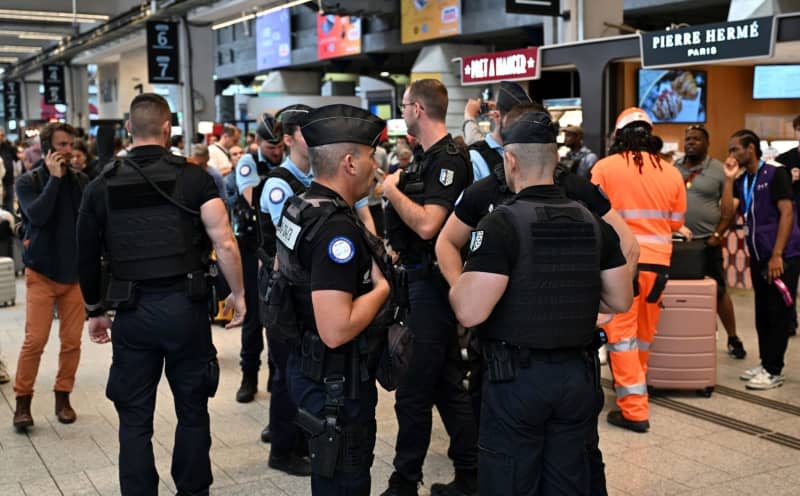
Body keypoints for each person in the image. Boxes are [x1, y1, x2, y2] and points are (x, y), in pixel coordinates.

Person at [436, 102, 639, 496]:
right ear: (555, 158)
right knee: (569, 480)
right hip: (578, 376)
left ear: (510, 160)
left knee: (511, 480)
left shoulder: (500, 224)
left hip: (517, 379)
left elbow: (469, 310)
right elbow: (621, 300)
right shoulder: (591, 220)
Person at [76, 93, 246, 495]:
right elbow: (224, 243)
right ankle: (192, 489)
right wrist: (238, 294)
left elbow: (84, 253)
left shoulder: (101, 185)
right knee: (192, 410)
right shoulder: (194, 178)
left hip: (132, 313)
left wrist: (94, 310)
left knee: (134, 416)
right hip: (185, 309)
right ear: (168, 128)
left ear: (128, 130)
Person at [271, 104, 389, 495]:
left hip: (309, 368)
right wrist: (383, 288)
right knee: (344, 481)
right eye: (372, 157)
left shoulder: (301, 205)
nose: (377, 166)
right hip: (336, 381)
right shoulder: (336, 229)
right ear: (350, 163)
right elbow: (336, 329)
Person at [381, 79, 477, 496]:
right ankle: (472, 474)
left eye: (403, 105)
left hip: (435, 286)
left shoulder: (449, 161)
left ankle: (404, 481)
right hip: (418, 281)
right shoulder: (423, 159)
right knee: (446, 384)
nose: (401, 113)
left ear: (417, 108)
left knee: (414, 389)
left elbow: (428, 223)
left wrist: (389, 190)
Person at [591, 107, 686, 433]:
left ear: (618, 135)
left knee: (621, 337)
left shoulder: (605, 167)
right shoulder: (672, 172)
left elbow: (590, 217)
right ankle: (635, 390)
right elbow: (676, 223)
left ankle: (633, 409)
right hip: (658, 265)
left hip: (620, 265)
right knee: (643, 337)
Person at [12, 122, 87, 431]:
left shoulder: (82, 181)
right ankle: (23, 402)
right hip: (41, 272)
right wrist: (54, 180)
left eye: (71, 144)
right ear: (47, 149)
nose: (69, 150)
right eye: (62, 145)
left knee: (72, 341)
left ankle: (63, 397)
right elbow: (38, 216)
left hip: (75, 274)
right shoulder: (27, 182)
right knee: (35, 340)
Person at [724, 129, 800, 390]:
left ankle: (774, 369)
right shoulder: (744, 179)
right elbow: (728, 210)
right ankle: (766, 362)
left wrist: (777, 254)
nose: (731, 155)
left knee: (778, 313)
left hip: (781, 256)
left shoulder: (775, 172)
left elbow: (787, 213)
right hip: (758, 256)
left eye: (735, 149)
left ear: (751, 148)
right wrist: (727, 180)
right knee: (763, 313)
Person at [674, 124, 745, 358]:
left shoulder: (718, 170)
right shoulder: (673, 169)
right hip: (676, 242)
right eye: (688, 139)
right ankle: (678, 337)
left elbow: (729, 208)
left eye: (696, 139)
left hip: (707, 242)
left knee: (719, 291)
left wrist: (718, 235)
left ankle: (733, 338)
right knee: (676, 293)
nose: (690, 143)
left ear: (707, 143)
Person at [464, 81, 532, 182]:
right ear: (496, 116)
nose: (521, 128)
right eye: (514, 121)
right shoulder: (476, 158)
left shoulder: (528, 152)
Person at [0, 126, 17, 211]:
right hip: (0, 182)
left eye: (2, 135)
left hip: (9, 181)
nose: (1, 137)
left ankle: (10, 223)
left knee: (9, 206)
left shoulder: (8, 147)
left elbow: (16, 158)